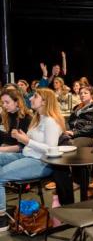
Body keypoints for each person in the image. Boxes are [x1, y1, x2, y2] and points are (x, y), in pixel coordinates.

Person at [0, 88, 65, 231]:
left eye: (35, 96)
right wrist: (23, 137)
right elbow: (32, 142)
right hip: (27, 155)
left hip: (41, 162)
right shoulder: (38, 118)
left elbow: (50, 149)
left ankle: (2, 219)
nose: (30, 99)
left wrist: (26, 141)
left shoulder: (51, 121)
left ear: (44, 101)